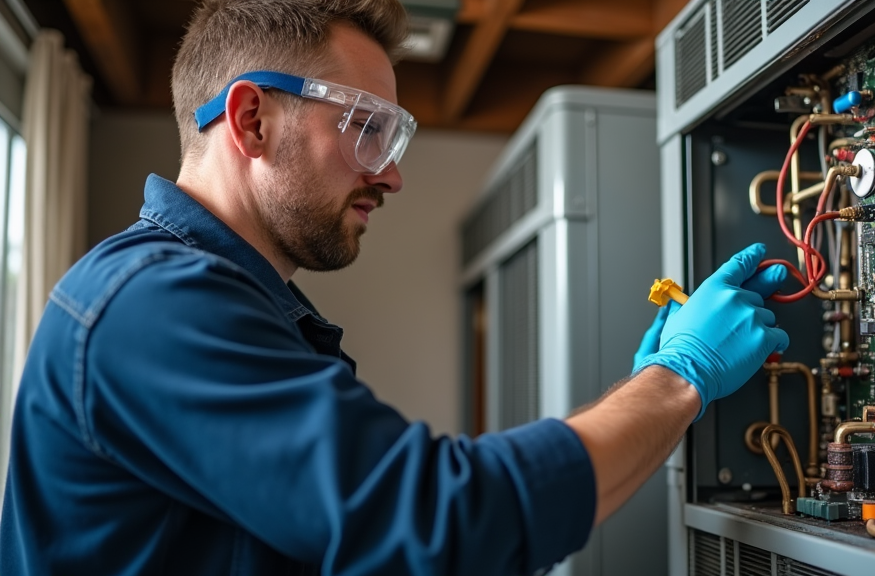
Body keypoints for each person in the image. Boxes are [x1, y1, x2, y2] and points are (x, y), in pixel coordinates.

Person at [0, 1, 789, 574]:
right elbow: (442, 525)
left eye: (397, 136)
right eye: (367, 127)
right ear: (249, 123)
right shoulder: (150, 306)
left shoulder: (230, 304)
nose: (394, 173)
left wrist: (653, 388)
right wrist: (677, 377)